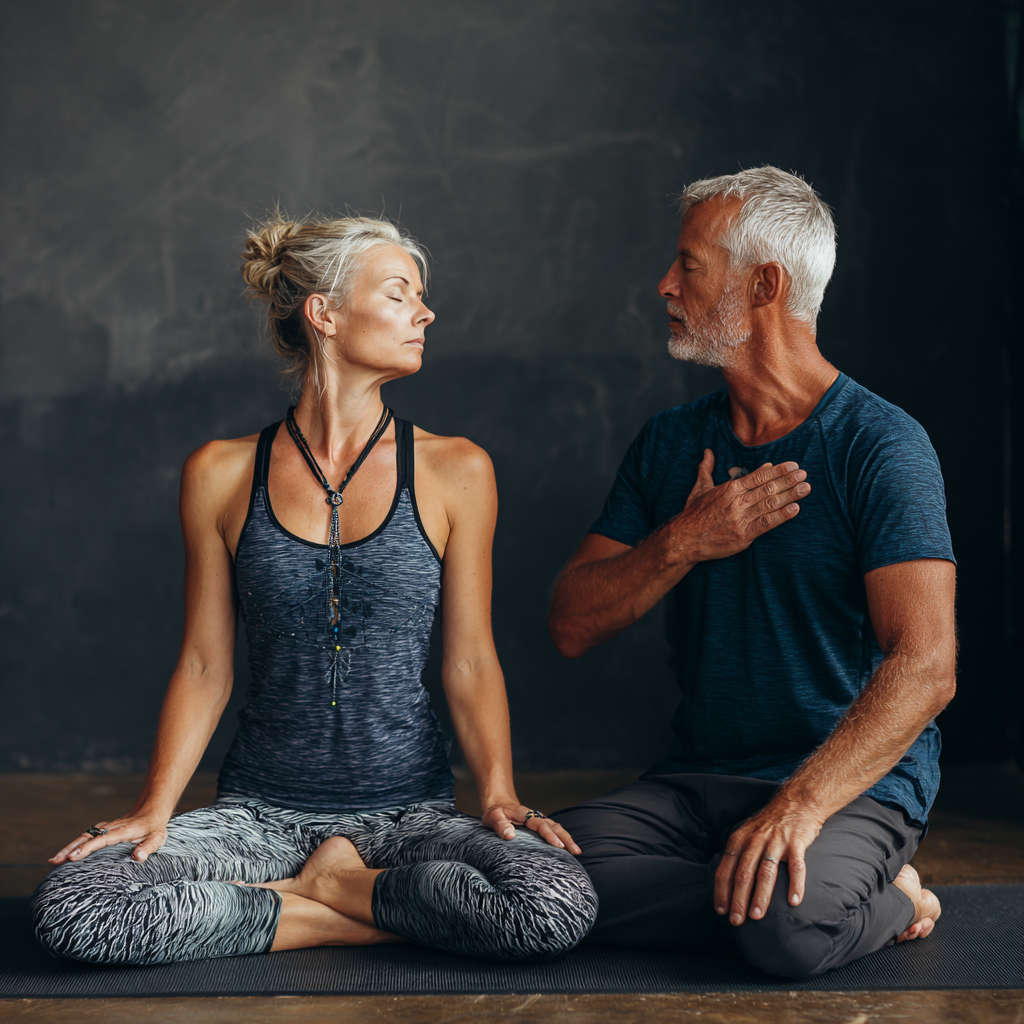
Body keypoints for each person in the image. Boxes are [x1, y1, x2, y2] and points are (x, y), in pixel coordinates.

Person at [33, 214, 597, 966]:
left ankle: (313, 896)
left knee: (554, 903)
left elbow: (468, 660)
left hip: (408, 820)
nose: (425, 313)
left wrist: (497, 793)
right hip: (258, 819)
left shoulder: (457, 469)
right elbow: (204, 663)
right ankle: (336, 906)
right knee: (75, 906)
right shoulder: (219, 473)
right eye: (399, 293)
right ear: (324, 313)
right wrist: (154, 808)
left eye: (420, 295)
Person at [548, 167, 956, 978]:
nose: (665, 285)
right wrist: (682, 541)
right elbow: (570, 624)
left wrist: (798, 808)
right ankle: (751, 891)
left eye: (689, 265)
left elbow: (927, 666)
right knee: (528, 872)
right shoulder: (671, 441)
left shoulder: (880, 445)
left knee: (785, 928)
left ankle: (900, 898)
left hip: (842, 788)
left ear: (764, 284)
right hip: (696, 784)